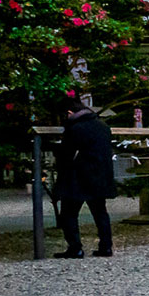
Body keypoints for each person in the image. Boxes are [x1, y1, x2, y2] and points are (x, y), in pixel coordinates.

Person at [53, 97, 117, 257]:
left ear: (69, 113)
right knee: (100, 211)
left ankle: (75, 247)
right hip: (100, 174)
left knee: (69, 212)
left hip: (79, 176)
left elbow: (66, 155)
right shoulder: (103, 126)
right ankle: (106, 246)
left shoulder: (75, 128)